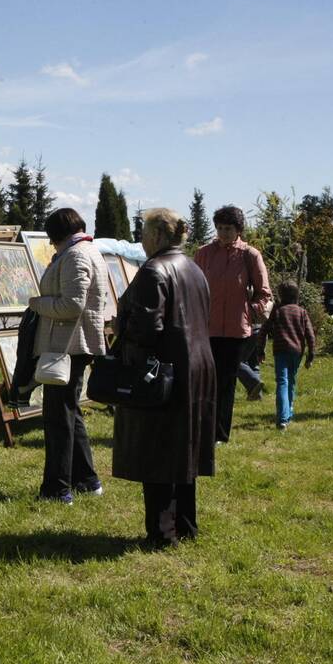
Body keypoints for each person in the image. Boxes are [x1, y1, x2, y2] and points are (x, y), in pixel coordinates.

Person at [112, 208, 216, 548]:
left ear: (157, 235)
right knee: (183, 449)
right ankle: (186, 524)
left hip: (165, 373)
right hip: (196, 365)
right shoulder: (193, 268)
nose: (140, 238)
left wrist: (120, 327)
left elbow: (146, 328)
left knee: (158, 453)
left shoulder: (154, 270)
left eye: (143, 231)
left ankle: (162, 533)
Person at [28, 207, 108, 504]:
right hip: (73, 344)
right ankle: (87, 480)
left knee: (58, 419)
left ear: (57, 235)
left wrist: (38, 303)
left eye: (52, 239)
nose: (51, 245)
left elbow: (72, 305)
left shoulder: (76, 255)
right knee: (70, 414)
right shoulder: (87, 250)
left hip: (68, 346)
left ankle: (58, 489)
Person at [193, 205, 272, 443]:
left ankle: (220, 434)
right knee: (206, 381)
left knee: (225, 383)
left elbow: (264, 293)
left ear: (238, 229)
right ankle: (202, 429)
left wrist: (250, 311)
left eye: (228, 228)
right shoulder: (204, 253)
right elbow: (193, 287)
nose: (223, 233)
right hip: (207, 329)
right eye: (219, 228)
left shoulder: (249, 255)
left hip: (237, 332)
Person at [258, 281, 315, 430]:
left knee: (282, 381)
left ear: (281, 295)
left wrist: (260, 350)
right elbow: (310, 335)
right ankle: (288, 413)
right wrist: (311, 355)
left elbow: (264, 330)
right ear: (296, 295)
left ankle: (282, 418)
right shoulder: (302, 312)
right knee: (291, 381)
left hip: (281, 350)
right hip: (297, 351)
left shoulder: (277, 310)